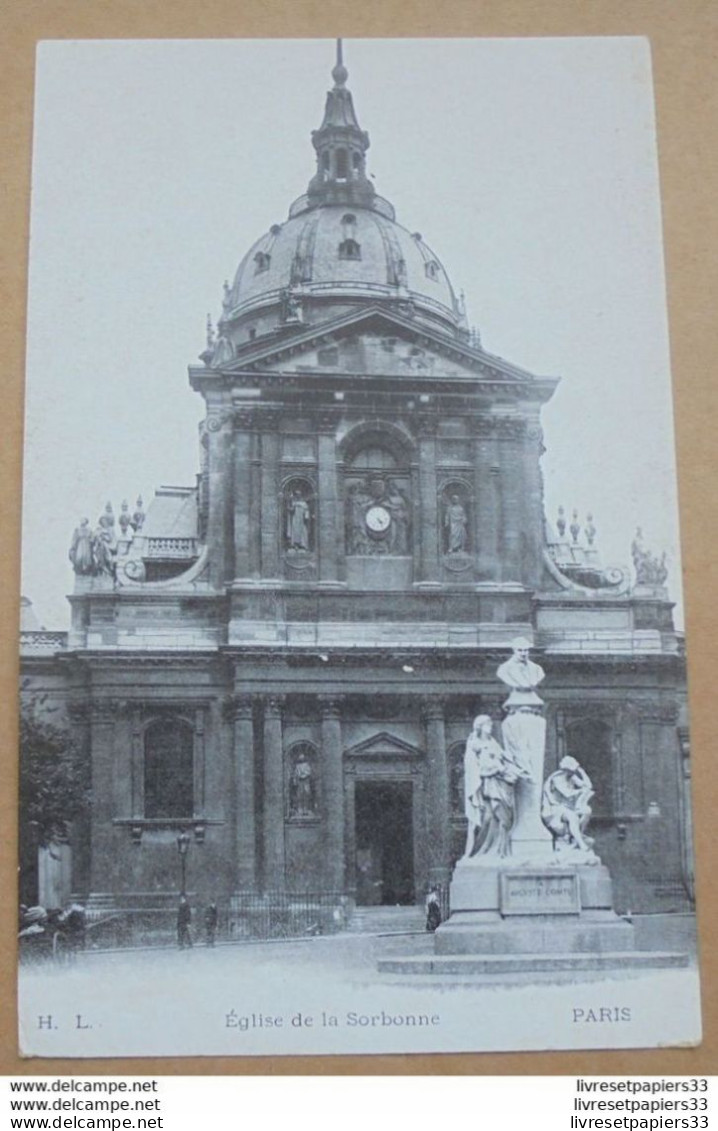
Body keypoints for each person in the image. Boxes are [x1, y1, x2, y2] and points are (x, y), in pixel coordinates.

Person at [463, 715, 527, 859]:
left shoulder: (493, 742)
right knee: (490, 817)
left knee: (503, 818)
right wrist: (496, 768)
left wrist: (515, 768)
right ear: (480, 726)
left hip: (502, 783)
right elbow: (475, 767)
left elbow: (504, 758)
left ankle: (500, 851)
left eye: (491, 724)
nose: (490, 727)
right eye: (487, 724)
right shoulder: (475, 743)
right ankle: (482, 851)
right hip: (489, 784)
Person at [541, 756, 595, 854]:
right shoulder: (557, 778)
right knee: (572, 816)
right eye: (573, 770)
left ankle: (577, 837)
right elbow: (567, 793)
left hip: (569, 807)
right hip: (555, 808)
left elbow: (588, 786)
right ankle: (581, 843)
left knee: (587, 810)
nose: (574, 772)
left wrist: (581, 771)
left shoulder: (571, 776)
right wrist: (580, 791)